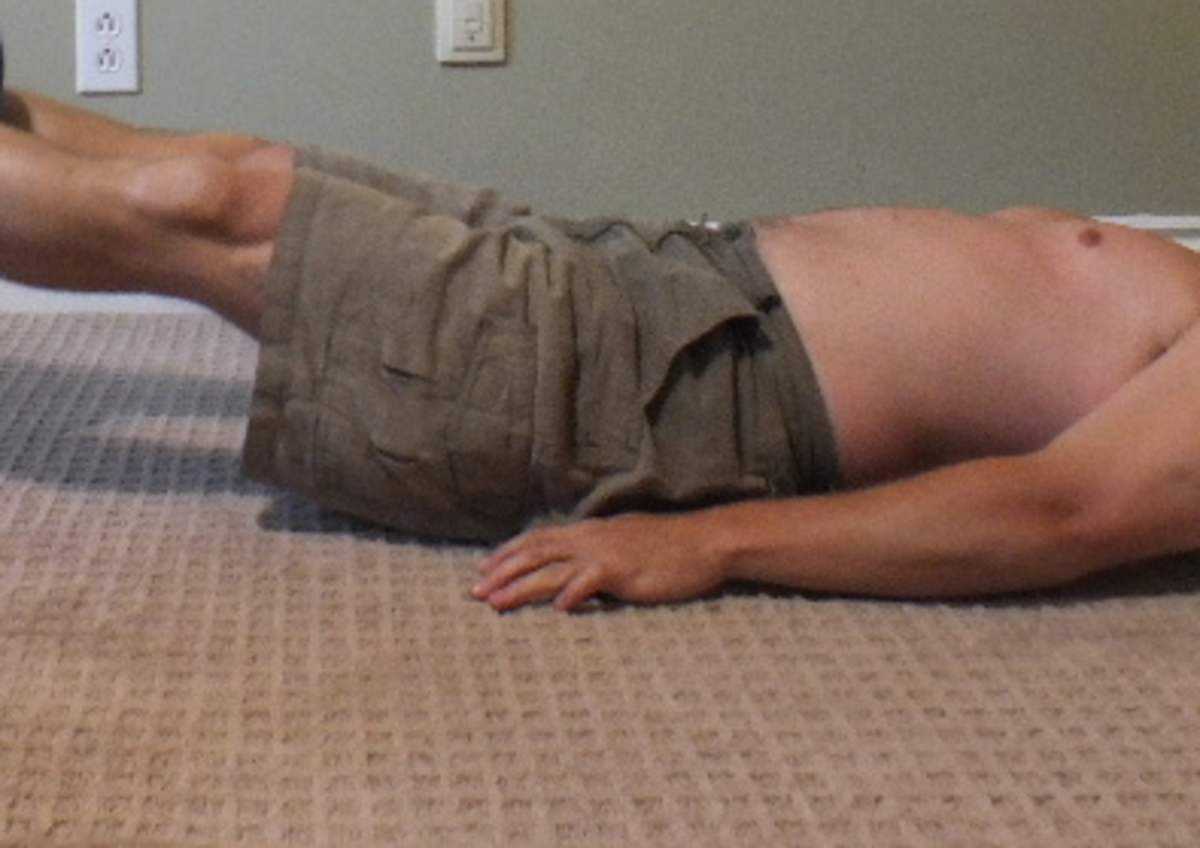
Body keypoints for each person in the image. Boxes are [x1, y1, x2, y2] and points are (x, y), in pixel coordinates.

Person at [3, 52, 1200, 615]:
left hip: (671, 392)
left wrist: (717, 542)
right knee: (235, 169)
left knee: (208, 210)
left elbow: (1061, 513)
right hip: (674, 281)